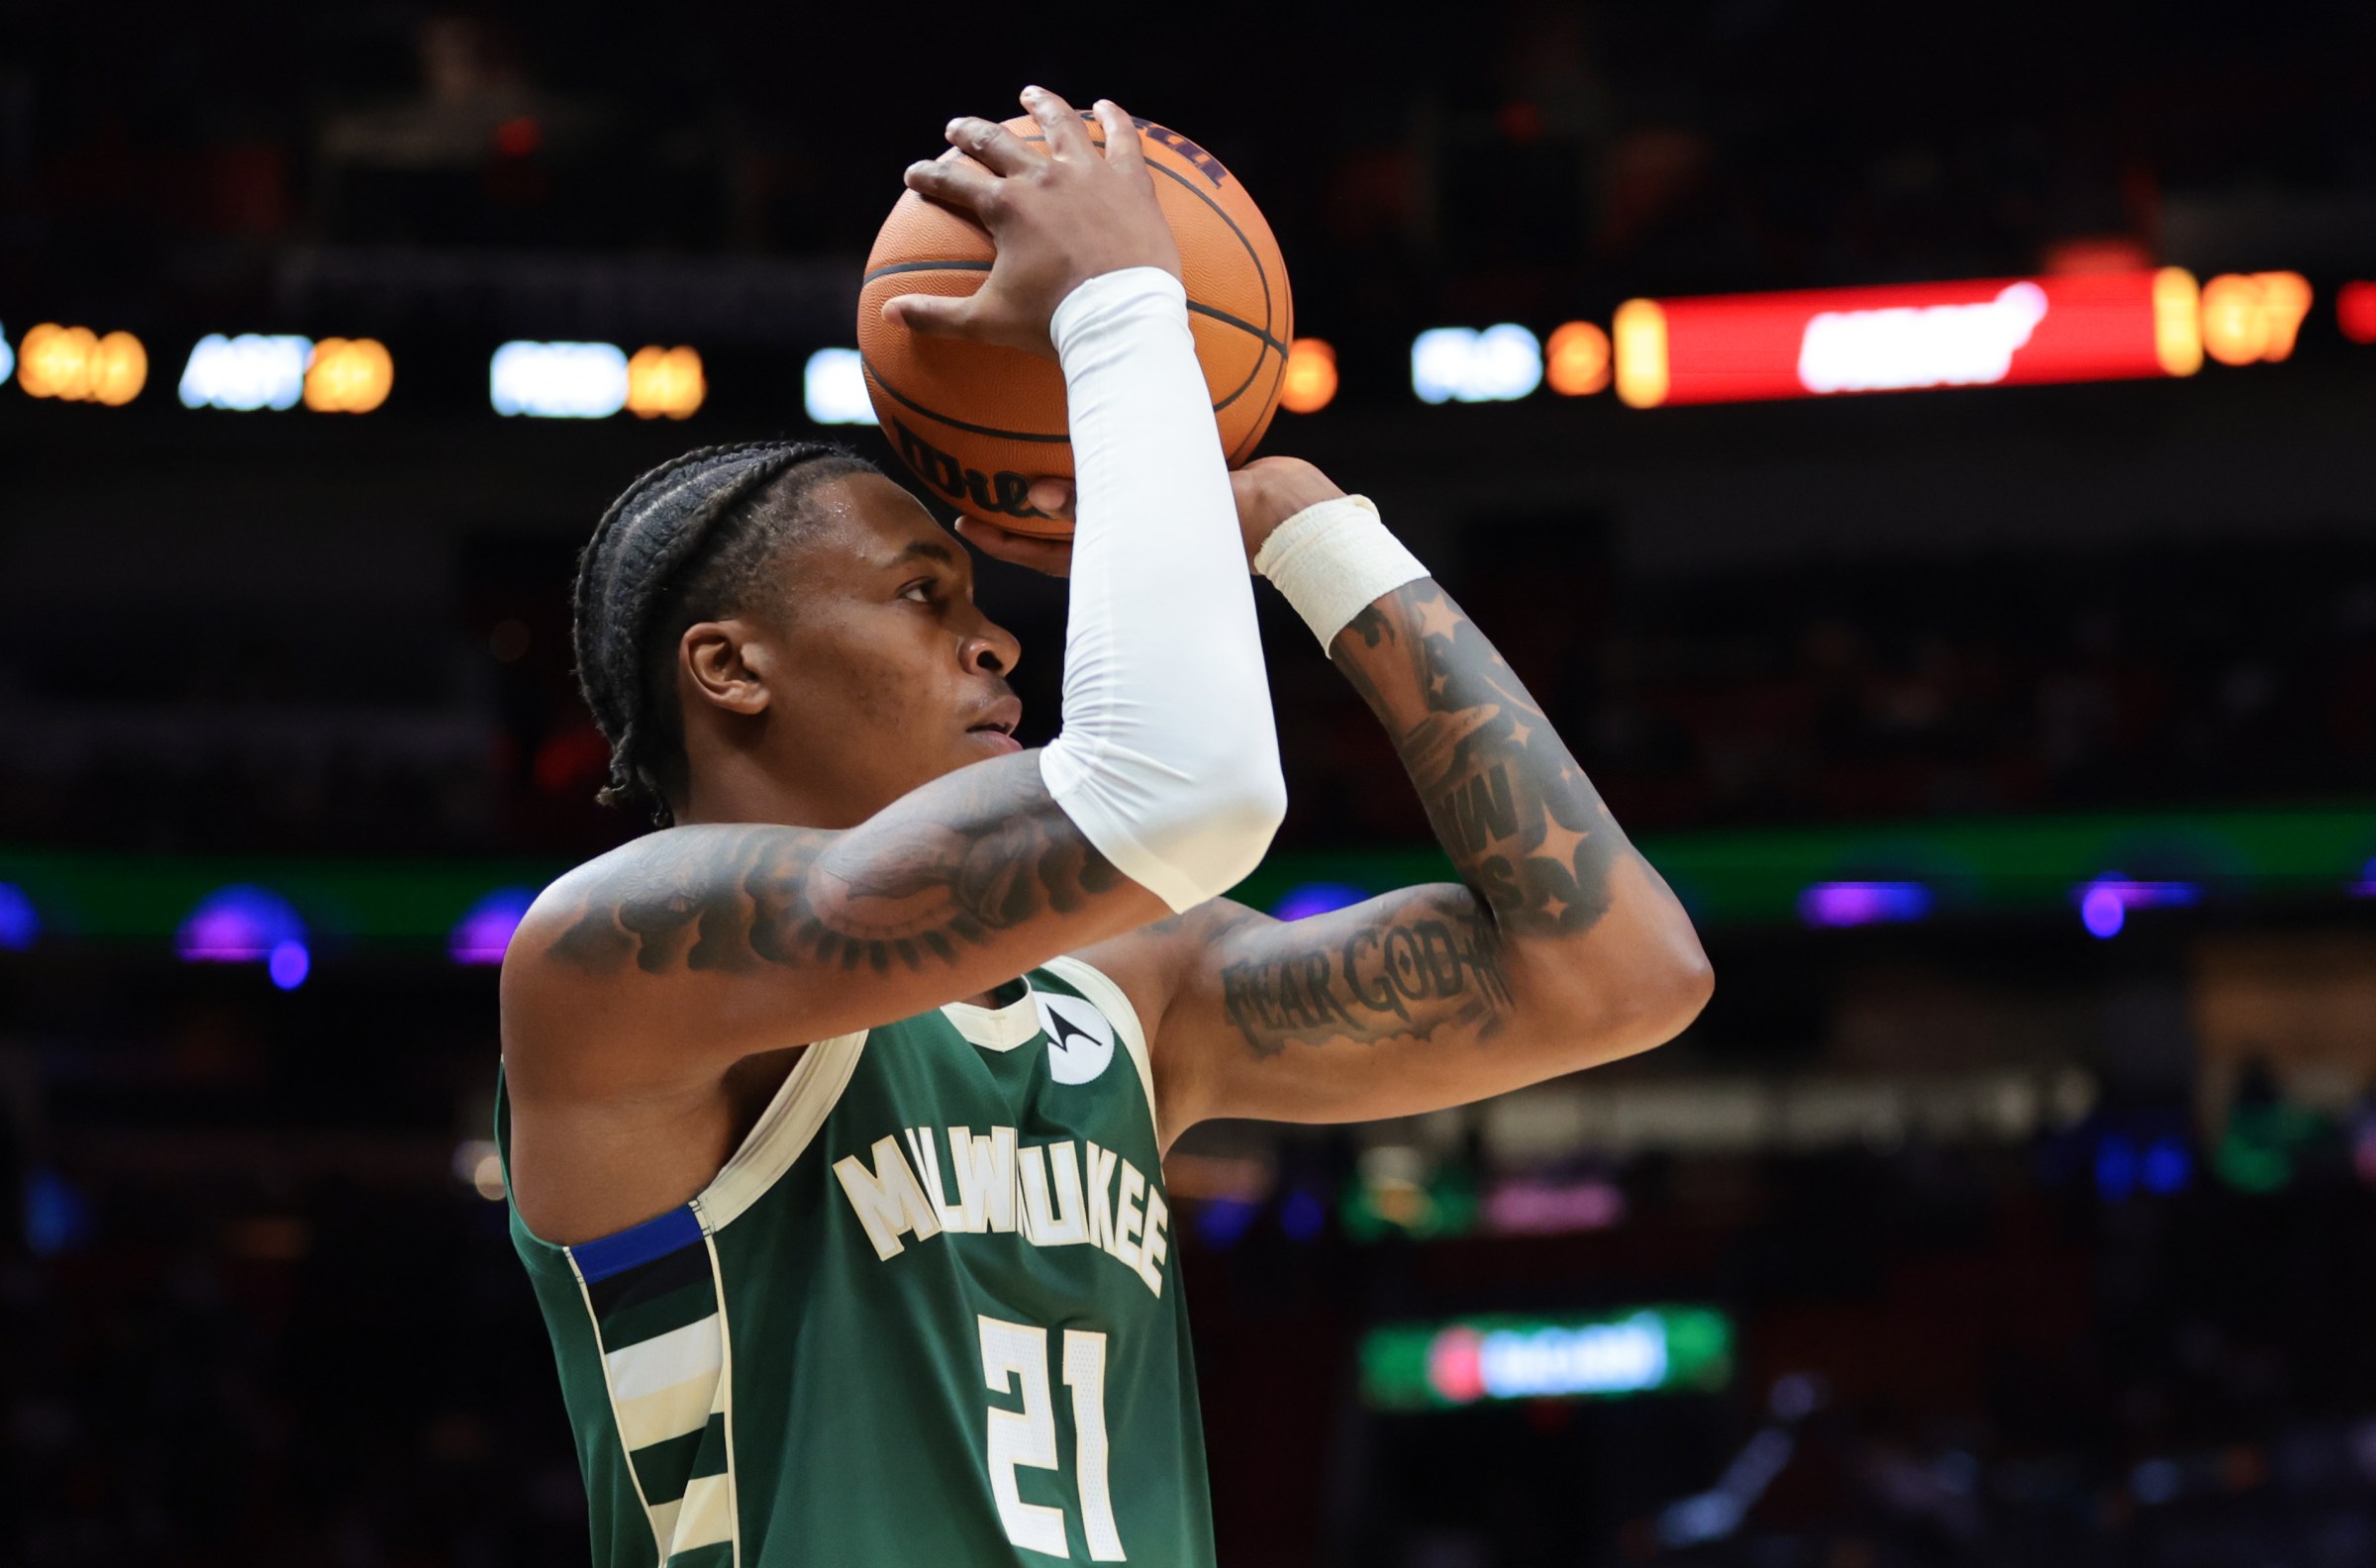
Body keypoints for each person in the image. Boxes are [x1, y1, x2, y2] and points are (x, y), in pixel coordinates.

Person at [497, 86, 1711, 1568]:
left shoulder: (1132, 996)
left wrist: (1312, 531)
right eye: (921, 595)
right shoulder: (616, 960)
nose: (999, 640)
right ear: (731, 666)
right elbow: (1179, 790)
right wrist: (1121, 309)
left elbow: (1623, 975)